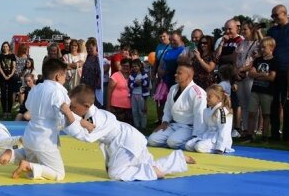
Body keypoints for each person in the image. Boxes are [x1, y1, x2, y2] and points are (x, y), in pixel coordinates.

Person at [62, 84, 194, 181]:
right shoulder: (91, 113)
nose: (71, 110)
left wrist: (68, 115)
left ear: (85, 106)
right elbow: (79, 120)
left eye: (73, 107)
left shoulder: (96, 118)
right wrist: (71, 114)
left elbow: (86, 137)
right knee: (147, 162)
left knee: (116, 174)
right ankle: (178, 159)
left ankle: (151, 173)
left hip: (125, 142)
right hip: (130, 137)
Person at [0, 58, 70, 180]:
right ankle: (28, 166)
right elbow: (63, 116)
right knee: (59, 174)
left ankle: (13, 154)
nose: (66, 79)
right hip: (45, 140)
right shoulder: (59, 91)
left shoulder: (35, 89)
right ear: (58, 76)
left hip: (29, 136)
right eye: (65, 75)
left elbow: (28, 107)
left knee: (32, 154)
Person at [266, 4, 289, 141]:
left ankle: (288, 134)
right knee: (273, 104)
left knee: (287, 104)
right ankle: (274, 133)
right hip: (272, 71)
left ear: (285, 14)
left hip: (288, 71)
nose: (274, 18)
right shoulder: (271, 31)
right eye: (272, 16)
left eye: (276, 15)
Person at [148, 64, 207, 149]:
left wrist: (197, 135)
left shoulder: (197, 92)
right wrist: (165, 122)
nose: (175, 75)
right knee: (152, 140)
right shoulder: (173, 88)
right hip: (173, 125)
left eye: (179, 73)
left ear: (189, 76)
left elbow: (200, 115)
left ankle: (186, 143)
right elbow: (167, 108)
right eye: (176, 72)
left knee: (172, 142)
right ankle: (172, 139)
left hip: (189, 128)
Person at [245, 37, 277, 143]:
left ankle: (265, 136)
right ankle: (250, 135)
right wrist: (263, 74)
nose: (261, 49)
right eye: (260, 47)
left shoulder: (274, 61)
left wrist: (257, 75)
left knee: (266, 114)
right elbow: (251, 74)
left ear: (271, 48)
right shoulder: (258, 60)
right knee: (252, 113)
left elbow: (272, 77)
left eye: (264, 47)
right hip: (255, 90)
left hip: (267, 92)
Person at [185, 84, 234, 153]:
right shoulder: (206, 111)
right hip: (208, 137)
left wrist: (220, 148)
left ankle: (221, 149)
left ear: (218, 98)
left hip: (218, 139)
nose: (207, 99)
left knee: (199, 147)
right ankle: (202, 144)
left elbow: (224, 130)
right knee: (188, 145)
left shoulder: (222, 111)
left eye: (209, 97)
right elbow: (204, 128)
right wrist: (199, 137)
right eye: (206, 96)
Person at [235, 20, 263, 137]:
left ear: (251, 30)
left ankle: (253, 129)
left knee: (252, 104)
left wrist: (243, 69)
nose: (243, 31)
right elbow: (235, 58)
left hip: (249, 77)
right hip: (240, 77)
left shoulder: (257, 43)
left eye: (245, 29)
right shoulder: (241, 43)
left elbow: (256, 60)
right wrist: (235, 70)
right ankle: (245, 128)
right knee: (243, 103)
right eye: (242, 29)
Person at [107, 58, 132, 124]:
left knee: (128, 126)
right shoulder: (115, 75)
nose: (125, 67)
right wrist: (108, 106)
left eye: (127, 66)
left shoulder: (133, 75)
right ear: (121, 65)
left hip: (129, 106)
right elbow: (109, 91)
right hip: (116, 106)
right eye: (123, 65)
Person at [0, 41, 18, 119]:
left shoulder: (12, 56)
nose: (5, 47)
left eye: (6, 46)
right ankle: (4, 111)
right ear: (2, 47)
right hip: (2, 77)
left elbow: (14, 66)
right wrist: (4, 75)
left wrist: (10, 75)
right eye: (4, 46)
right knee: (3, 95)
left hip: (11, 77)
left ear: (9, 47)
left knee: (10, 94)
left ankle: (9, 111)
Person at [79, 37, 103, 106]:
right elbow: (84, 70)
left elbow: (99, 72)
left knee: (95, 105)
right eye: (87, 48)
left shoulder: (99, 58)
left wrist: (98, 87)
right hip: (86, 85)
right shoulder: (88, 57)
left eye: (91, 48)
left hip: (95, 87)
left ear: (96, 47)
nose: (89, 50)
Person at [128, 58, 150, 132]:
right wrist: (136, 84)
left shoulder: (144, 75)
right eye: (133, 66)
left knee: (142, 111)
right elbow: (130, 85)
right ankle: (137, 125)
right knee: (134, 111)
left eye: (136, 66)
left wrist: (142, 82)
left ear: (140, 66)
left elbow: (147, 84)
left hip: (141, 95)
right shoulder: (131, 76)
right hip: (134, 95)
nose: (135, 68)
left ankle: (143, 126)